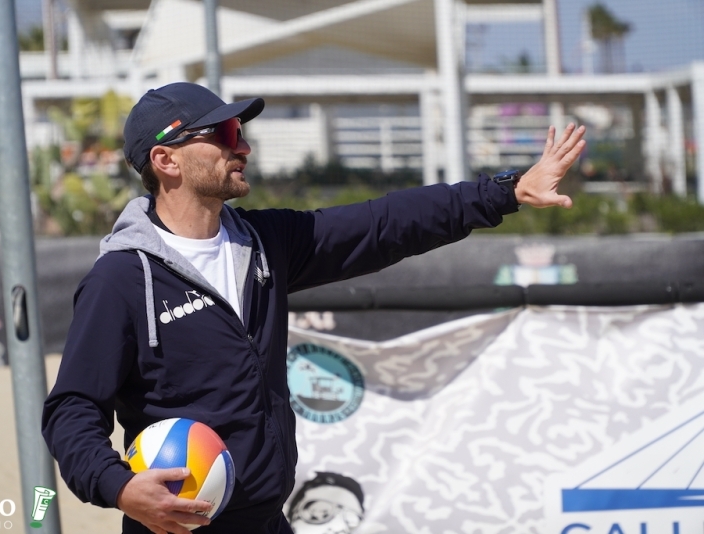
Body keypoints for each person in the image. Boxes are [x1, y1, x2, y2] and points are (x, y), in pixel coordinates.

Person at [42, 82, 586, 534]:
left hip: (268, 520)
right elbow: (71, 410)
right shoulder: (121, 277)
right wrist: (119, 487)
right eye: (226, 134)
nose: (243, 147)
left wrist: (506, 192)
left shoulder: (265, 242)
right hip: (179, 526)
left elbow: (384, 223)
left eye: (242, 133)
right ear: (166, 160)